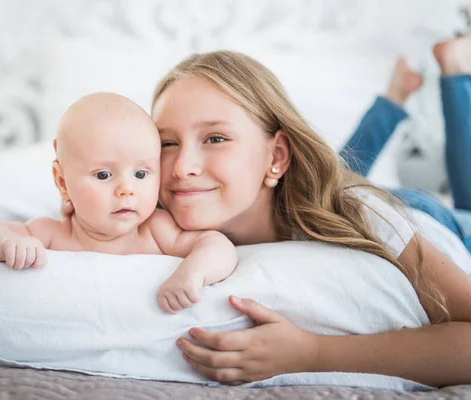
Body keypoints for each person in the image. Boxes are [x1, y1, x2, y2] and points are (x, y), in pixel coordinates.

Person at [149, 39, 471, 386]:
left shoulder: (361, 210)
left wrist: (311, 353)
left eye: (215, 138)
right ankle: (394, 97)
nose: (182, 167)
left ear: (276, 157)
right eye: (167, 143)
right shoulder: (151, 212)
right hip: (329, 189)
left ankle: (453, 74)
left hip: (433, 219)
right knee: (336, 170)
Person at [0, 92, 238, 314]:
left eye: (141, 174)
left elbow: (217, 245)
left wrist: (194, 272)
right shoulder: (51, 233)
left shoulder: (156, 231)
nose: (126, 190)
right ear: (63, 183)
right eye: (104, 175)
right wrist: (8, 245)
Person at [340, 36, 471, 251]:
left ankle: (450, 74)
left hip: (400, 212)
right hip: (406, 215)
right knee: (329, 186)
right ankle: (449, 75)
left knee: (328, 188)